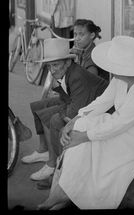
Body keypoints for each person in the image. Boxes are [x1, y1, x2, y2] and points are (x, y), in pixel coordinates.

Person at [37, 35, 134, 210]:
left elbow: (118, 125)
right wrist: (74, 121)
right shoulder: (120, 80)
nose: (111, 68)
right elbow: (102, 102)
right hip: (122, 127)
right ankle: (65, 189)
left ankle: (70, 193)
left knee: (90, 140)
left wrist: (83, 137)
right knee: (82, 125)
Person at [21, 38, 108, 182]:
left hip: (98, 111)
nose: (52, 69)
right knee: (37, 106)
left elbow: (71, 114)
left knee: (52, 118)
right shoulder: (66, 72)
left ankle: (52, 163)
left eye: (55, 65)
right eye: (49, 66)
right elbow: (65, 98)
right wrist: (58, 84)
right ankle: (44, 150)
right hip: (77, 101)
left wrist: (61, 110)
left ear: (67, 62)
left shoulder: (77, 76)